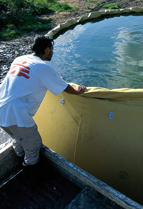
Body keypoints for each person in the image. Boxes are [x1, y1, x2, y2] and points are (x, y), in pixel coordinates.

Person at [0, 36, 86, 183]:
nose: (52, 53)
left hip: (1, 108)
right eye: (52, 49)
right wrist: (78, 91)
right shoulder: (43, 67)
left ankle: (20, 161)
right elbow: (64, 87)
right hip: (16, 114)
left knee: (19, 139)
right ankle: (31, 178)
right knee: (33, 145)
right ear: (46, 49)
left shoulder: (20, 59)